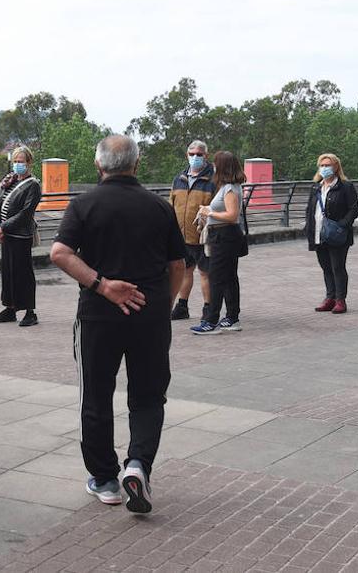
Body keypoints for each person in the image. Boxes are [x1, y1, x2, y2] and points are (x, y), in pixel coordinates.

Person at [50, 135, 185, 514]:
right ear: (136, 164)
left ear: (98, 165)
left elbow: (59, 253)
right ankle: (138, 464)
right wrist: (162, 304)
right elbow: (178, 265)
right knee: (148, 396)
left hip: (98, 316)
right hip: (149, 315)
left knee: (95, 395)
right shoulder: (159, 207)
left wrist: (103, 285)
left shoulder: (83, 205)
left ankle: (105, 479)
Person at [192, 151, 246, 334]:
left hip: (224, 236)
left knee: (216, 277)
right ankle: (232, 317)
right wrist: (208, 209)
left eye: (216, 164)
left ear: (222, 167)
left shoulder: (229, 188)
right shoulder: (229, 187)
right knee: (229, 277)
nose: (213, 167)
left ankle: (211, 321)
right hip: (225, 235)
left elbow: (232, 215)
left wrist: (210, 212)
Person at [0, 146, 42, 326]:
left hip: (21, 235)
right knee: (8, 272)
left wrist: (3, 227)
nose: (17, 164)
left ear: (29, 163)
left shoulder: (33, 185)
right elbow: (1, 206)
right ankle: (10, 308)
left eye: (21, 161)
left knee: (23, 273)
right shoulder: (10, 182)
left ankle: (30, 312)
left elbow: (26, 213)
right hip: (7, 234)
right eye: (15, 161)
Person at [304, 153, 358, 314]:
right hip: (318, 234)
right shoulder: (316, 187)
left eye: (327, 165)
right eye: (322, 165)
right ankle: (330, 297)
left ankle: (340, 300)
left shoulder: (345, 186)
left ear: (336, 167)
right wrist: (308, 228)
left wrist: (342, 225)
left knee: (337, 267)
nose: (324, 168)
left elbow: (354, 209)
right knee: (326, 267)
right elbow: (310, 209)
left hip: (337, 234)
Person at [168, 140, 216, 322]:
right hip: (181, 236)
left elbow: (218, 206)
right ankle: (182, 306)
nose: (195, 157)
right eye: (192, 154)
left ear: (206, 156)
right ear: (187, 155)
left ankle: (208, 308)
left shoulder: (212, 180)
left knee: (205, 273)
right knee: (184, 271)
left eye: (199, 154)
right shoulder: (179, 178)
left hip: (203, 236)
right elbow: (171, 205)